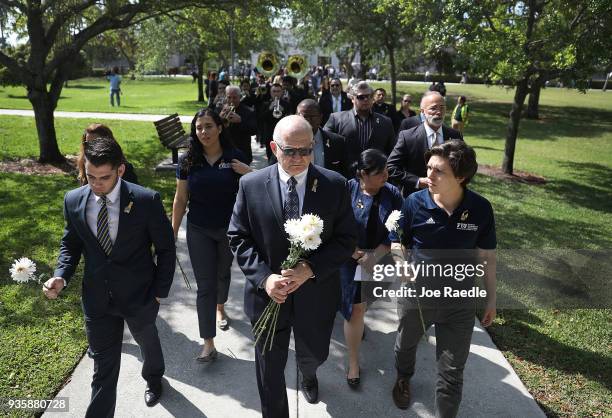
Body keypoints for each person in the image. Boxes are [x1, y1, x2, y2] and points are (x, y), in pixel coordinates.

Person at [227, 115, 357, 417]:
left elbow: (347, 239)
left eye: (306, 150)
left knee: (314, 354)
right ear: (274, 148)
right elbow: (238, 236)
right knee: (269, 372)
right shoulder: (251, 184)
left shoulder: (334, 185)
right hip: (267, 298)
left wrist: (309, 269)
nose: (299, 158)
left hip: (316, 296)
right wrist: (264, 278)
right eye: (290, 151)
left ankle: (309, 372)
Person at [43, 136, 175, 416]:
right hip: (97, 298)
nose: (96, 184)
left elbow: (165, 248)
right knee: (103, 369)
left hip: (140, 294)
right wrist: (61, 276)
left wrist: (159, 291)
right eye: (90, 176)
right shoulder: (74, 200)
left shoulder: (146, 200)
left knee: (147, 342)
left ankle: (154, 378)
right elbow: (71, 244)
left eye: (104, 177)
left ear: (121, 170)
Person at [392, 140, 497, 417]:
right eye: (428, 168)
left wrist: (491, 300)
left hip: (459, 303)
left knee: (452, 372)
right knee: (405, 346)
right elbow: (396, 240)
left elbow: (487, 256)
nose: (429, 176)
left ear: (461, 177)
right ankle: (403, 377)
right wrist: (402, 264)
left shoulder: (481, 209)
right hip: (416, 297)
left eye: (439, 171)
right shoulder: (414, 202)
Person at [172, 109, 252, 362]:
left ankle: (221, 306)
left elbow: (256, 187)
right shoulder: (188, 161)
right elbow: (180, 198)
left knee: (223, 273)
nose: (203, 132)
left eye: (208, 126)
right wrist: (172, 233)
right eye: (198, 128)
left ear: (219, 128)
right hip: (198, 229)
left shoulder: (234, 157)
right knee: (204, 286)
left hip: (229, 230)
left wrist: (248, 172)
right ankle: (208, 342)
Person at [339, 149, 402, 389]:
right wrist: (355, 252)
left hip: (380, 257)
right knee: (354, 309)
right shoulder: (347, 189)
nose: (386, 175)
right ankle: (353, 362)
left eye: (386, 169)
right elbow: (337, 224)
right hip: (349, 258)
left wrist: (375, 255)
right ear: (363, 174)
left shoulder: (393, 194)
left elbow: (397, 229)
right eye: (379, 172)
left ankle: (360, 318)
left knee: (366, 303)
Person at [388, 91, 463, 197]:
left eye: (442, 107)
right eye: (433, 108)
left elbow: (464, 165)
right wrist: (418, 181)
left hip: (448, 198)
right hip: (416, 198)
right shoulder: (408, 137)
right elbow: (391, 167)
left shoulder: (455, 136)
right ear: (423, 112)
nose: (439, 112)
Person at [324, 81, 396, 170]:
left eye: (369, 96)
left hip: (375, 176)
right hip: (345, 176)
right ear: (352, 99)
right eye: (361, 97)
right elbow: (325, 145)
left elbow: (392, 152)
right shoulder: (336, 119)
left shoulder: (385, 122)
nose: (365, 99)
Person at [296, 99, 348, 178]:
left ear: (320, 117)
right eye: (305, 116)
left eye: (312, 116)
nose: (308, 121)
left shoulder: (337, 142)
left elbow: (344, 172)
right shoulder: (287, 141)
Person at [220, 85, 257, 165]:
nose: (231, 100)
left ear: (240, 97)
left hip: (243, 152)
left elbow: (254, 130)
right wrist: (219, 119)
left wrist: (241, 121)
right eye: (229, 97)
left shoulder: (249, 111)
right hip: (224, 152)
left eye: (234, 97)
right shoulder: (220, 110)